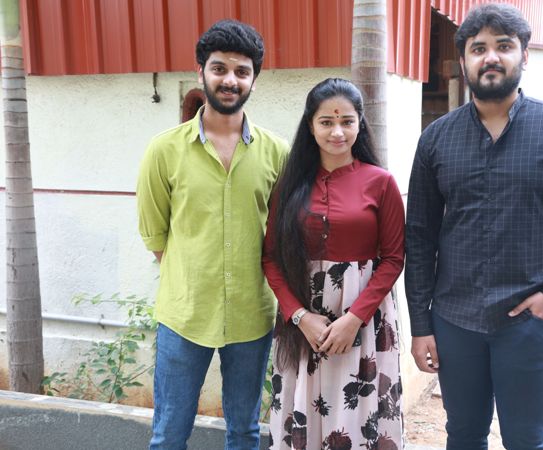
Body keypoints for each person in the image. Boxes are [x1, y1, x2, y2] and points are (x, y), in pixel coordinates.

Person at [405, 4, 543, 450]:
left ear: (524, 55)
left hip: (530, 322)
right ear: (464, 60)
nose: (490, 57)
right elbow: (420, 236)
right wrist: (421, 325)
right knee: (463, 436)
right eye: (478, 48)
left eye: (503, 46)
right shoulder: (436, 139)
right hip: (455, 321)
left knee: (528, 440)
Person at [137, 19, 288, 450]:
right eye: (219, 68)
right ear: (201, 70)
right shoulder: (164, 150)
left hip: (251, 315)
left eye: (242, 71)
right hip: (185, 316)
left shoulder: (277, 152)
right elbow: (155, 234)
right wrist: (193, 279)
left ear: (254, 79)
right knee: (169, 434)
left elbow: (281, 233)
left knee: (244, 431)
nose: (230, 80)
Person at [262, 78, 405, 450]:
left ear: (360, 124)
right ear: (311, 126)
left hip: (365, 320)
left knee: (358, 420)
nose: (337, 132)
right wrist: (300, 317)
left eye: (347, 121)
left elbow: (393, 258)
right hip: (302, 324)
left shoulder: (381, 183)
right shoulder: (289, 185)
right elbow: (271, 258)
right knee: (302, 416)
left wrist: (354, 319)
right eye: (326, 122)